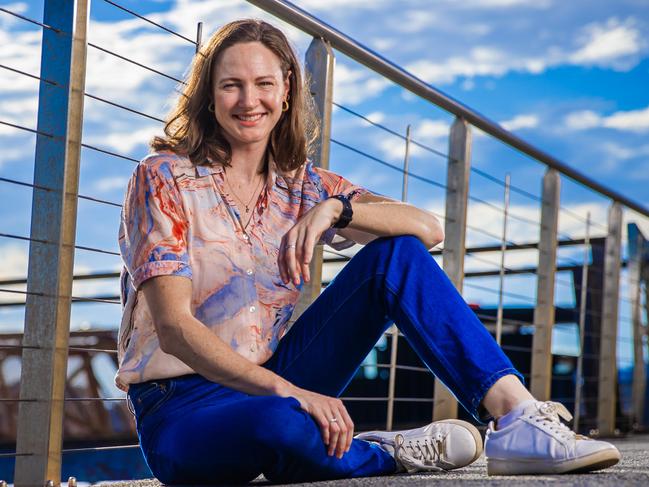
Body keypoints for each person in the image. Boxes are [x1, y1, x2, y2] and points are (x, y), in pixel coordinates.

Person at [116, 19, 621, 484]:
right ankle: (387, 452)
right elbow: (176, 330)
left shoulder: (304, 188)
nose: (250, 100)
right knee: (280, 424)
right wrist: (290, 393)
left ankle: (515, 419)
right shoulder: (164, 178)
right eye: (232, 85)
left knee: (395, 255)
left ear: (287, 91)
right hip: (181, 405)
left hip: (274, 376)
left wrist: (336, 210)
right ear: (209, 95)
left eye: (264, 83)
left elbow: (427, 229)